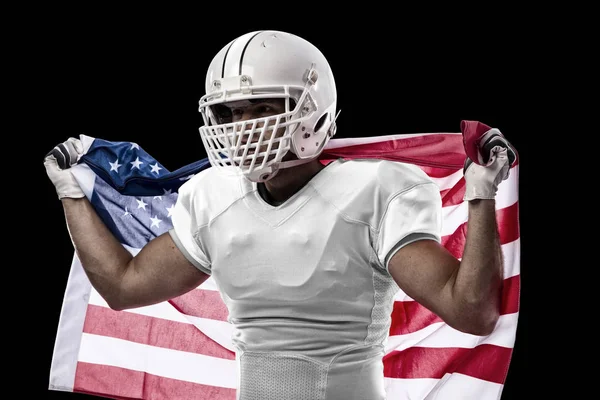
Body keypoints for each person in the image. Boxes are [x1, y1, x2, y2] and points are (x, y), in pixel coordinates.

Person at [44, 30, 514, 400]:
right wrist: (71, 195)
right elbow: (123, 287)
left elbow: (470, 312)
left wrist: (479, 196)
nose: (241, 127)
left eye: (261, 108)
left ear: (311, 111)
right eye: (229, 113)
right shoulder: (213, 196)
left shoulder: (373, 191)